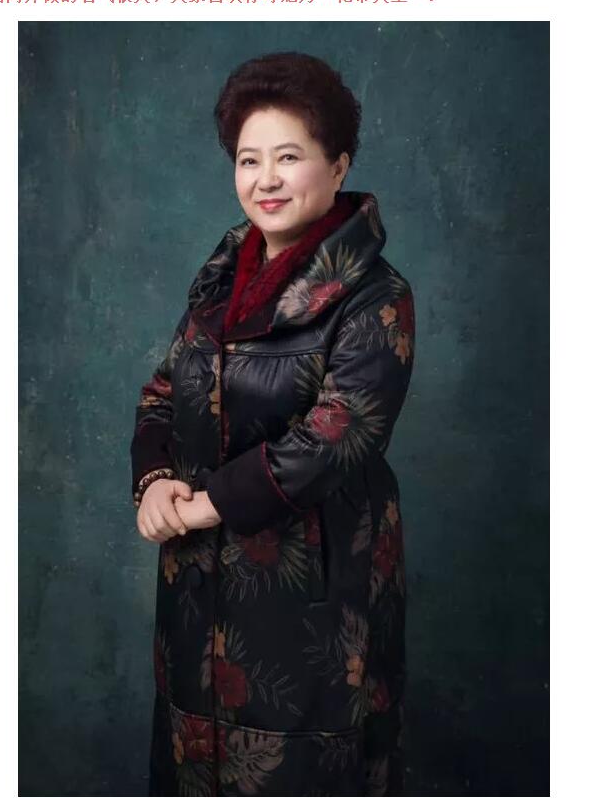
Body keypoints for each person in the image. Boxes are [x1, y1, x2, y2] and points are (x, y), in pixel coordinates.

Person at [130, 51, 415, 797]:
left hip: (314, 593)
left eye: (288, 157)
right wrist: (154, 481)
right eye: (249, 160)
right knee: (194, 766)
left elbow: (341, 430)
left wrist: (208, 504)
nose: (265, 179)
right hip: (196, 584)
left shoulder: (374, 294)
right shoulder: (220, 279)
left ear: (338, 165)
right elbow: (163, 391)